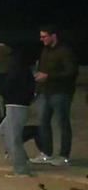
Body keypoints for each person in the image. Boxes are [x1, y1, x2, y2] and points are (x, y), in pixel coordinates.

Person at [33, 25, 78, 166]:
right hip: (45, 92)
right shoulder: (45, 51)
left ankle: (64, 156)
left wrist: (49, 76)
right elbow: (41, 70)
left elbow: (71, 72)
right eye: (41, 36)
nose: (42, 39)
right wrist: (37, 89)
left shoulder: (65, 51)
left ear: (54, 36)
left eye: (44, 36)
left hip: (61, 93)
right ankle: (46, 153)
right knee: (43, 122)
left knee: (62, 123)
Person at [0, 55, 37, 177]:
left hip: (15, 106)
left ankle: (21, 170)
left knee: (13, 138)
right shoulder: (25, 72)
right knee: (3, 130)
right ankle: (22, 159)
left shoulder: (17, 72)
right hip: (18, 106)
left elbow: (7, 88)